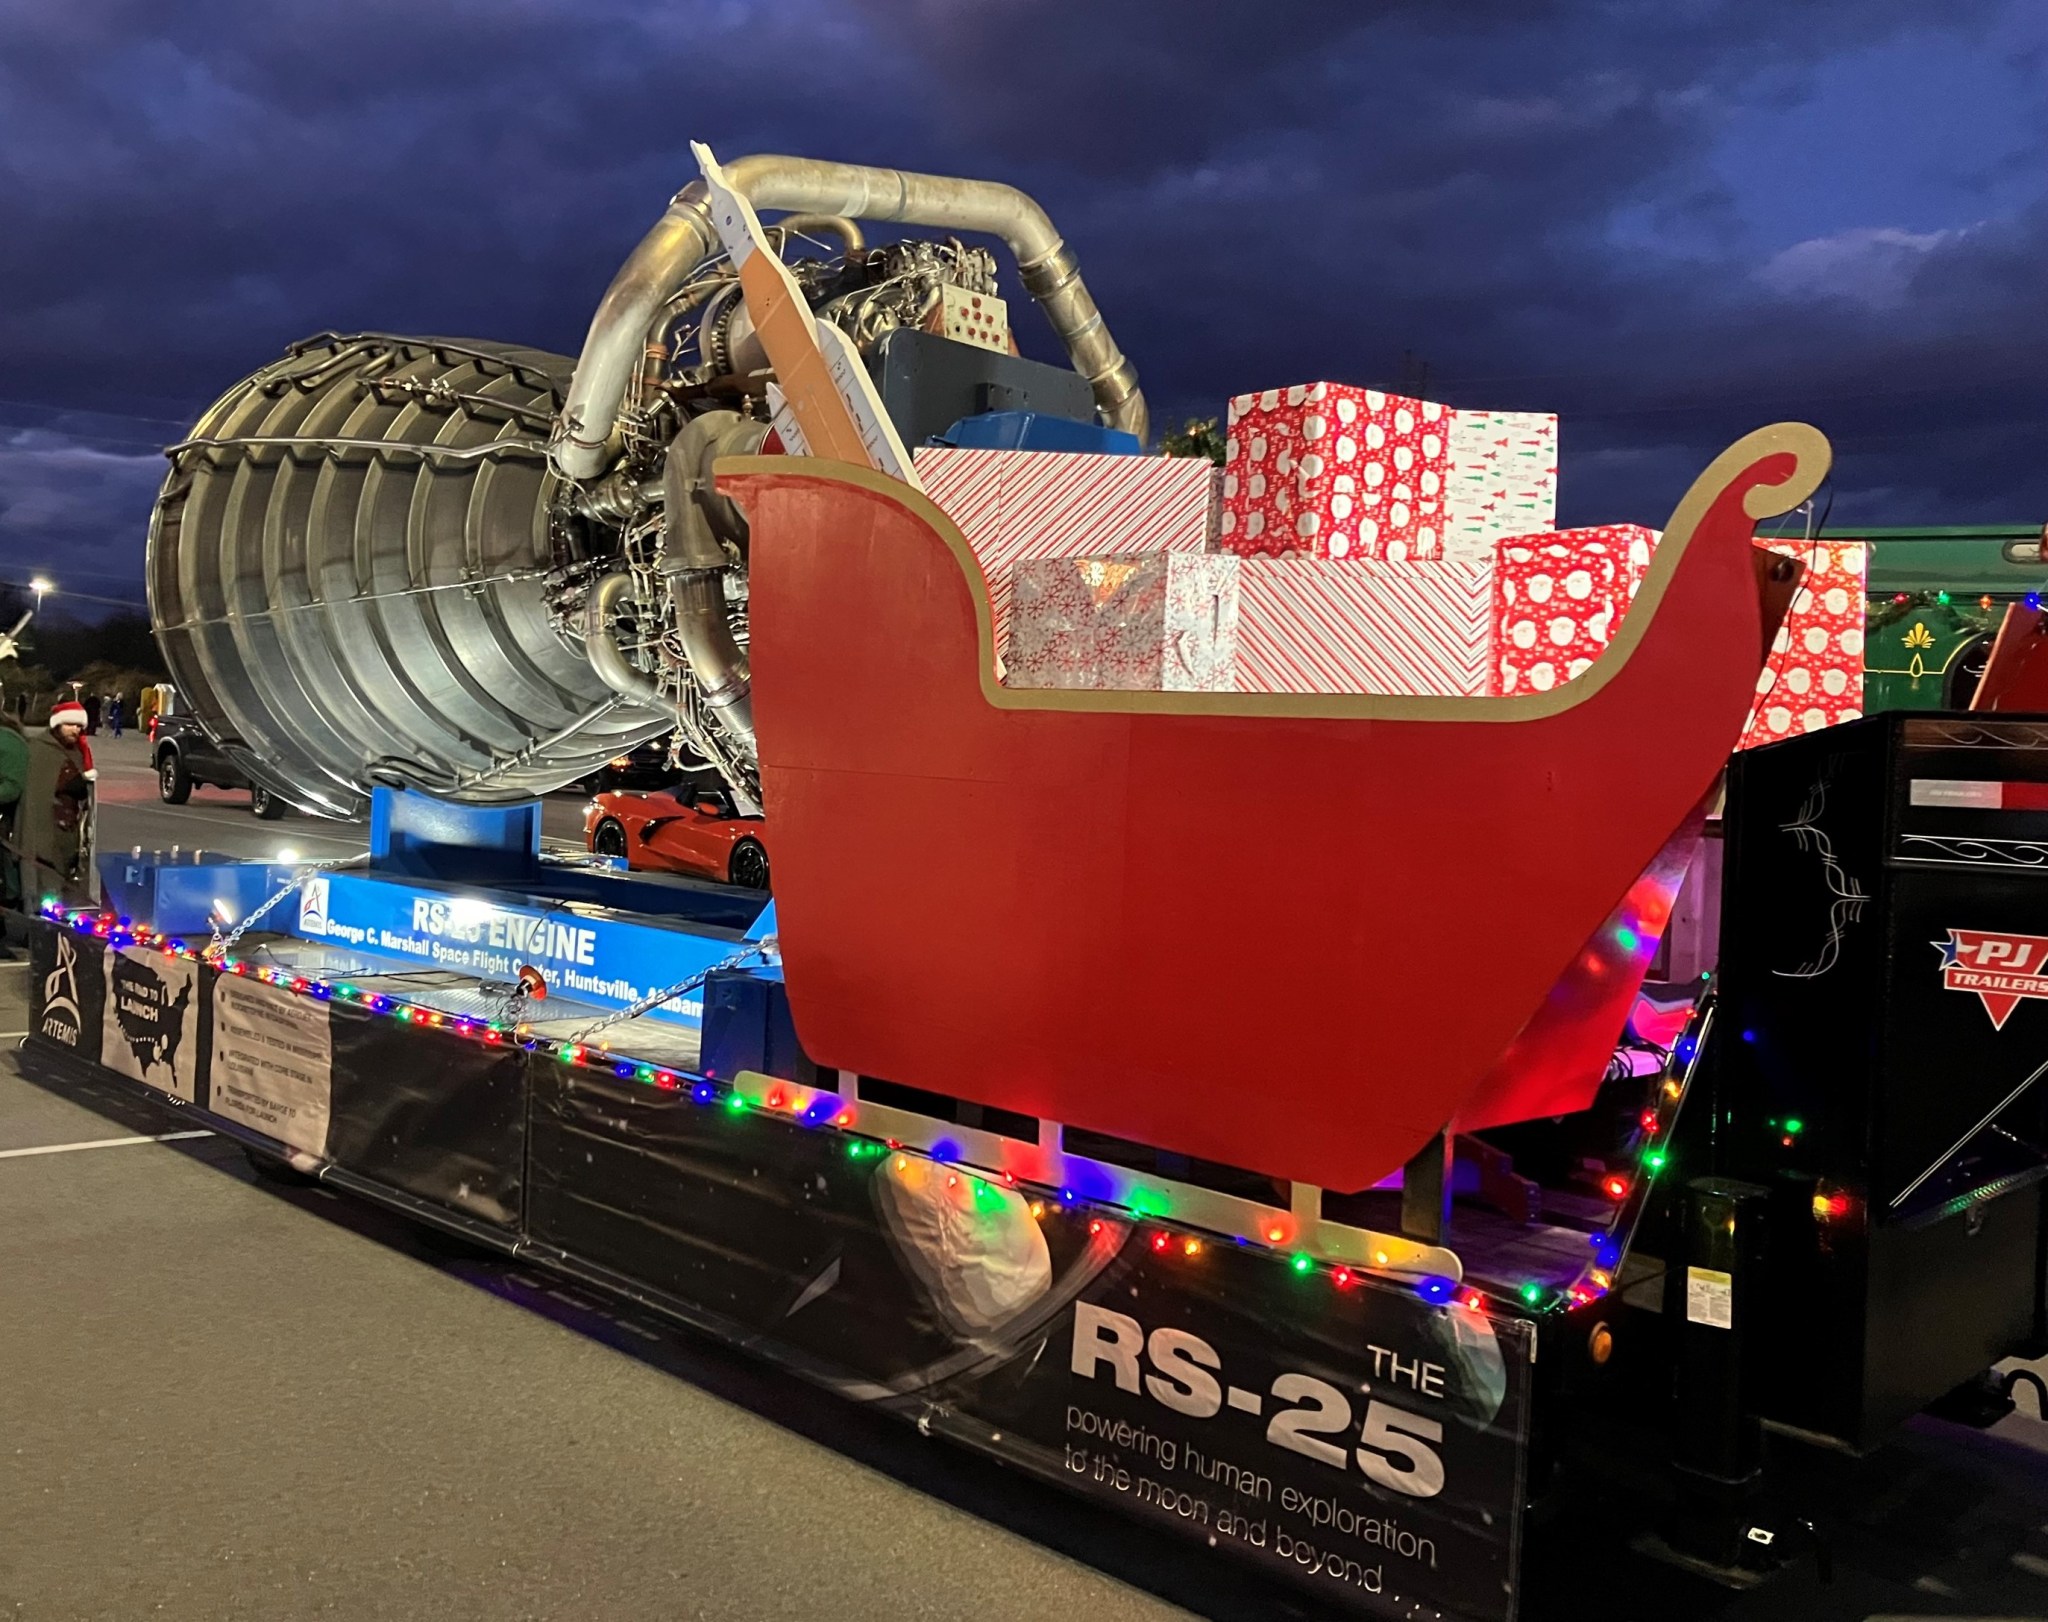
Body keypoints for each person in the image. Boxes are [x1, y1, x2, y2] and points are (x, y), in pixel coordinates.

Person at [14, 700, 96, 907]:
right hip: (41, 829)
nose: (75, 730)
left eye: (78, 726)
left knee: (61, 884)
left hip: (65, 831)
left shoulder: (76, 752)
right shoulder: (39, 749)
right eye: (69, 724)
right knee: (42, 884)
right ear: (57, 724)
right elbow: (37, 794)